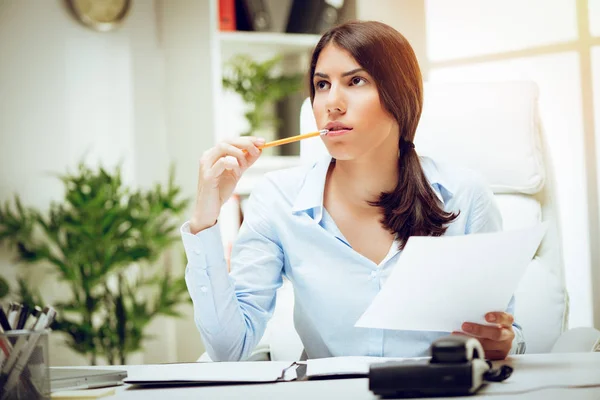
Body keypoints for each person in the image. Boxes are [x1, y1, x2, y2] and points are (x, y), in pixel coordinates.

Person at [181, 20, 525, 362]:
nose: (332, 103)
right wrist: (205, 217)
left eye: (355, 81)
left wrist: (503, 340)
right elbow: (229, 349)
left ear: (399, 95)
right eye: (322, 84)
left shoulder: (465, 196)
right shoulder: (277, 199)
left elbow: (505, 331)